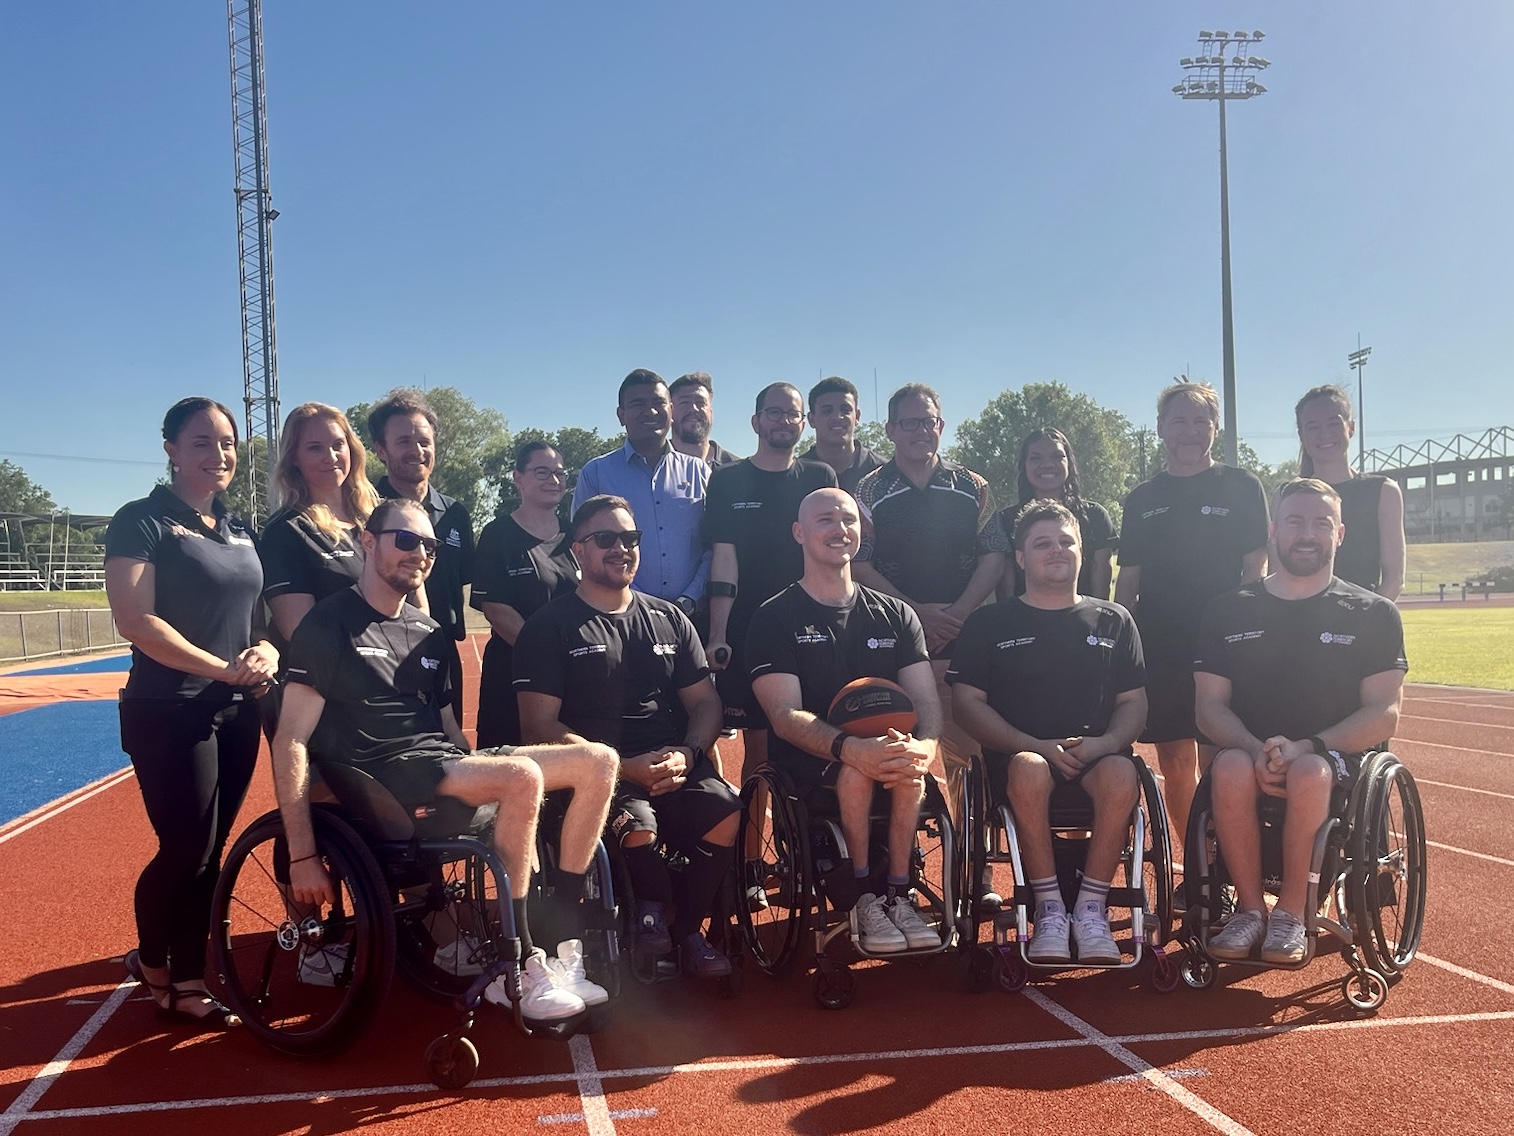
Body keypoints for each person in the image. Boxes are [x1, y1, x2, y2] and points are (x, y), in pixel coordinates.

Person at [272, 497, 618, 1021]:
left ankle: (563, 945)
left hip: (435, 764)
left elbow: (452, 732)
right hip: (379, 777)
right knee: (521, 775)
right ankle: (517, 967)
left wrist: (486, 773)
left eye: (430, 546)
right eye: (405, 540)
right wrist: (301, 853)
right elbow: (291, 739)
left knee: (598, 762)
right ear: (368, 541)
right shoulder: (328, 624)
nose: (420, 554)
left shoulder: (429, 633)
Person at [105, 396, 279, 1029]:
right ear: (172, 450)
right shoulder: (142, 521)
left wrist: (263, 648)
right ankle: (161, 966)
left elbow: (258, 615)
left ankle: (182, 973)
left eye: (227, 443)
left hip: (236, 709)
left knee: (211, 849)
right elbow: (136, 620)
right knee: (185, 847)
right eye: (202, 443)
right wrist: (220, 667)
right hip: (168, 707)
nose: (218, 454)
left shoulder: (240, 530)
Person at [515, 495, 740, 977]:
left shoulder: (670, 618)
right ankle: (654, 907)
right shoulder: (548, 627)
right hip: (597, 771)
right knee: (639, 828)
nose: (622, 548)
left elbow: (705, 703)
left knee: (725, 812)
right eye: (606, 539)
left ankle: (685, 932)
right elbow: (539, 726)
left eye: (630, 538)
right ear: (578, 550)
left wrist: (688, 751)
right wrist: (618, 765)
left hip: (670, 760)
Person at [1195, 478, 1407, 964]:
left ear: (1340, 533)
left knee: (1310, 771)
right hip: (1248, 754)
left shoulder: (1373, 613)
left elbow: (1385, 711)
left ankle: (1292, 912)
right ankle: (1249, 910)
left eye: (1320, 523)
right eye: (1295, 521)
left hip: (1335, 759)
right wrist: (1253, 748)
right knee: (1226, 767)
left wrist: (1309, 746)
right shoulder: (1228, 609)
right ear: (1274, 530)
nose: (1306, 534)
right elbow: (1208, 706)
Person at [949, 500, 1147, 965]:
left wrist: (1107, 743)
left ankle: (1092, 910)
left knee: (1123, 774)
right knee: (1030, 768)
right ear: (1020, 558)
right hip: (1020, 759)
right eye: (1042, 544)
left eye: (1066, 542)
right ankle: (1051, 911)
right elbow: (966, 704)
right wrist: (1033, 745)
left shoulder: (1114, 619)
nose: (1056, 551)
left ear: (1082, 551)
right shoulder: (989, 622)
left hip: (1096, 757)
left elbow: (1133, 704)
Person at [746, 487, 943, 954]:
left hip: (890, 756)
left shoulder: (896, 615)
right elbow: (784, 715)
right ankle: (861, 896)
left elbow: (926, 700)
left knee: (907, 770)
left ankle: (899, 892)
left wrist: (925, 748)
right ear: (799, 532)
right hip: (811, 762)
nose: (840, 529)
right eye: (825, 520)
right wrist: (853, 749)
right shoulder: (773, 617)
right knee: (857, 770)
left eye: (849, 520)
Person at [1114, 381, 1269, 852]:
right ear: (1161, 428)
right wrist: (1119, 637)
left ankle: (1228, 860)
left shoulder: (1242, 487)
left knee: (1221, 759)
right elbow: (1128, 582)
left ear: (1215, 428)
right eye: (1178, 420)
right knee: (1176, 763)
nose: (1189, 431)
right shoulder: (1142, 498)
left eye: (1200, 421)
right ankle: (1198, 867)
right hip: (1161, 645)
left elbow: (1255, 570)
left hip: (1225, 644)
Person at [852, 383, 1007, 815]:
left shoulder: (973, 485)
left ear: (941, 425)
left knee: (969, 762)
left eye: (929, 421)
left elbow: (994, 554)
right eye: (909, 422)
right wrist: (916, 614)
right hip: (895, 639)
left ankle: (976, 873)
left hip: (965, 640)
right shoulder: (868, 490)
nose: (921, 430)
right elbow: (860, 564)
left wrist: (958, 615)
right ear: (890, 429)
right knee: (898, 758)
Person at [705, 382, 837, 765]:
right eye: (774, 413)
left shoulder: (820, 476)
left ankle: (807, 826)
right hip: (750, 627)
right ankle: (751, 827)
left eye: (792, 414)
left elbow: (833, 550)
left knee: (819, 737)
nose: (783, 421)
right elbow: (724, 557)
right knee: (759, 752)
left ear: (803, 422)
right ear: (756, 421)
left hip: (812, 623)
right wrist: (717, 634)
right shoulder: (728, 479)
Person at [259, 403, 384, 735]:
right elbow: (301, 632)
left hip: (390, 687)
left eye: (337, 444)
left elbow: (416, 604)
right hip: (325, 701)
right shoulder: (285, 531)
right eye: (314, 448)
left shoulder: (381, 519)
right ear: (294, 458)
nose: (330, 456)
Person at [367, 388, 475, 725]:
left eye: (424, 442)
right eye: (403, 442)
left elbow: (462, 581)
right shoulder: (366, 509)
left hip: (442, 656)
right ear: (381, 450)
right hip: (381, 658)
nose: (417, 451)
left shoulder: (455, 513)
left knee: (450, 758)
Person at [573, 369, 709, 618]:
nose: (651, 411)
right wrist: (637, 603)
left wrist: (690, 598)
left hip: (692, 616)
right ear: (621, 415)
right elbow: (584, 547)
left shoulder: (699, 471)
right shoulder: (595, 474)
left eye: (658, 403)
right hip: (620, 618)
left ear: (671, 410)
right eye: (638, 404)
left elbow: (714, 547)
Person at [470, 440, 580, 747]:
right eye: (542, 472)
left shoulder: (576, 535)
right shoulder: (497, 535)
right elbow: (496, 609)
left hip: (573, 675)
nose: (554, 480)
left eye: (560, 473)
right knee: (509, 765)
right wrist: (546, 656)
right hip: (513, 672)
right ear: (519, 478)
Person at [1294, 384, 1406, 600]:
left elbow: (1394, 580)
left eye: (1333, 424)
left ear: (1351, 428)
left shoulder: (1384, 492)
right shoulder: (1287, 495)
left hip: (1364, 625)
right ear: (1301, 434)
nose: (1324, 434)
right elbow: (1279, 575)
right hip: (1301, 627)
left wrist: (1364, 623)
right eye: (1313, 426)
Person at [997, 427, 1118, 601]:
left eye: (1057, 456)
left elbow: (1102, 591)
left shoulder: (1095, 516)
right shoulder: (1006, 520)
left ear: (1069, 462)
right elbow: (1005, 592)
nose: (1047, 464)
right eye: (1036, 458)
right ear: (1024, 465)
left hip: (1082, 624)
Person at [801, 376, 885, 495]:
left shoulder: (883, 472)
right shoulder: (796, 475)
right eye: (827, 411)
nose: (837, 417)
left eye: (845, 410)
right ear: (811, 419)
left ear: (857, 416)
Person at [669, 372, 740, 467]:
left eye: (700, 402)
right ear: (669, 411)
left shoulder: (738, 470)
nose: (693, 408)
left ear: (711, 412)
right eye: (684, 402)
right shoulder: (651, 464)